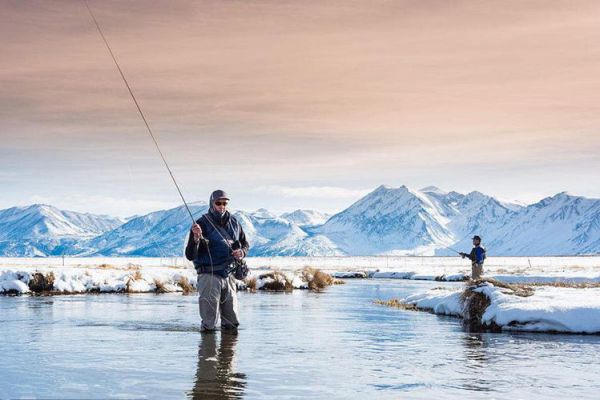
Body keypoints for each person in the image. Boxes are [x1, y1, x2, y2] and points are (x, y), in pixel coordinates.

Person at [185, 190, 249, 332]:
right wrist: (196, 238)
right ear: (212, 203)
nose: (222, 206)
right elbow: (190, 254)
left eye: (224, 203)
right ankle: (208, 352)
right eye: (218, 203)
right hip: (209, 276)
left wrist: (242, 252)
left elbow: (245, 244)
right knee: (209, 325)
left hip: (229, 275)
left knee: (232, 324)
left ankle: (228, 353)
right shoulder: (200, 224)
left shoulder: (235, 223)